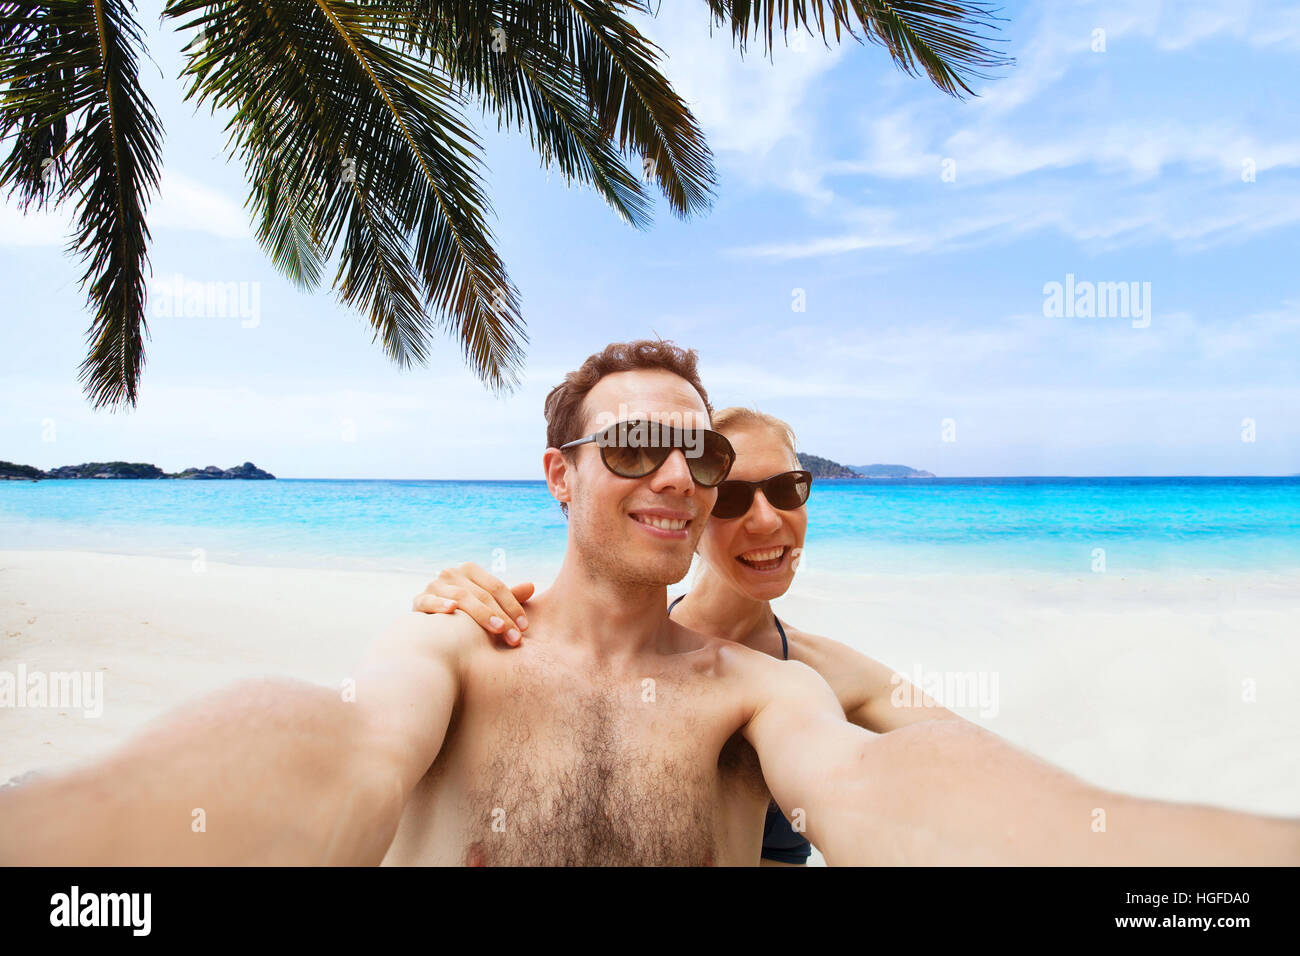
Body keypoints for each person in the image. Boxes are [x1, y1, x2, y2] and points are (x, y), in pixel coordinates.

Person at [1, 339, 1296, 865]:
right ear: (559, 475)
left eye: (704, 456)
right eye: (632, 445)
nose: (680, 476)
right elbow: (338, 752)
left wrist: (1213, 863)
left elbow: (885, 790)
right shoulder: (458, 641)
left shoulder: (767, 691)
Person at [410, 404, 965, 865]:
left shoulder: (828, 672)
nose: (768, 520)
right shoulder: (616, 646)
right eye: (731, 496)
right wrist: (454, 608)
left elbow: (960, 766)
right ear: (691, 515)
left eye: (788, 489)